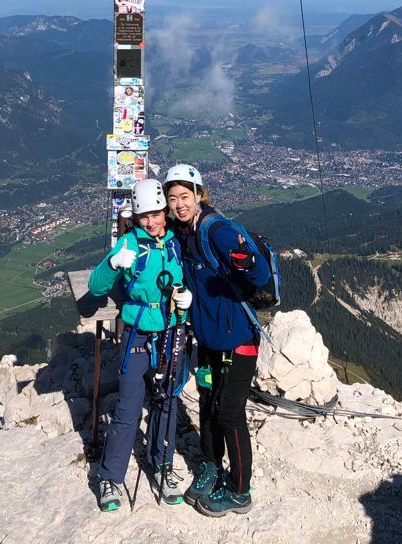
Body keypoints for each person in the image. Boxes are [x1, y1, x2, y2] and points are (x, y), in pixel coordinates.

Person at [164, 164, 270, 517]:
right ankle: (210, 465)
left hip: (239, 338)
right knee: (208, 403)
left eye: (185, 196)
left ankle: (240, 490)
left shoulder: (216, 230)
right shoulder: (183, 233)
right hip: (209, 339)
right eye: (172, 198)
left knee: (229, 412)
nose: (179, 204)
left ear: (198, 194)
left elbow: (259, 272)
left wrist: (245, 261)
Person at [88, 178, 193, 512]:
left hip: (171, 332)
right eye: (144, 216)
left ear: (165, 212)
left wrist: (186, 297)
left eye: (156, 214)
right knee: (129, 408)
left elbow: (184, 279)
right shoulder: (130, 244)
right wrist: (113, 263)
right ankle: (110, 476)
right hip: (138, 334)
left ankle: (162, 466)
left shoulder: (175, 244)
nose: (151, 222)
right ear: (136, 217)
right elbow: (95, 285)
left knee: (167, 401)